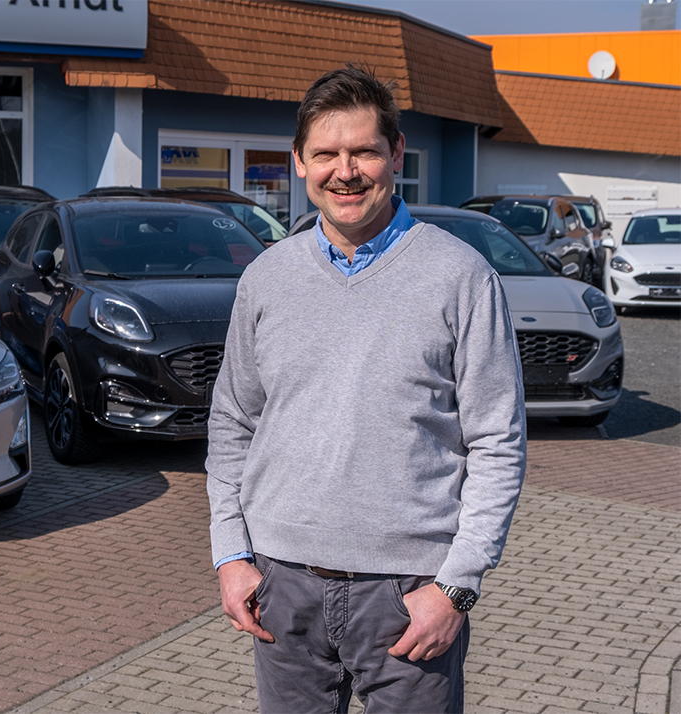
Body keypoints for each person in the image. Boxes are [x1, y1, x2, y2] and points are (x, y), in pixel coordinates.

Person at [206, 64, 526, 714]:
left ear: (395, 155)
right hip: (282, 586)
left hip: (410, 594)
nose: (344, 171)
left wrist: (456, 588)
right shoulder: (267, 280)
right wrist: (231, 554)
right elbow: (233, 422)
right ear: (299, 161)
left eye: (363, 152)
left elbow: (498, 443)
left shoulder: (461, 277)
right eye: (326, 153)